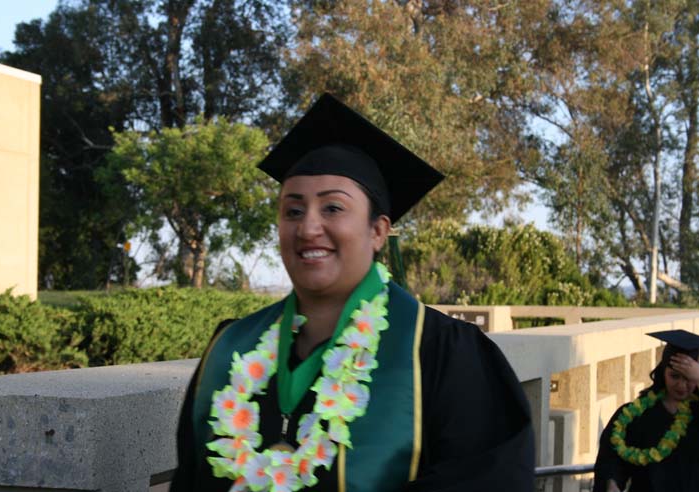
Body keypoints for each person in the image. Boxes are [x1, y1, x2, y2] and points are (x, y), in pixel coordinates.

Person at [169, 93, 535, 491]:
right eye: (293, 211)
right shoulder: (230, 350)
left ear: (378, 231)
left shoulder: (441, 353)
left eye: (333, 209)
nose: (308, 228)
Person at [593, 329, 699, 492]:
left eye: (688, 378)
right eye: (674, 376)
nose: (681, 385)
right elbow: (611, 458)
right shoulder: (638, 414)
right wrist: (611, 482)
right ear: (662, 372)